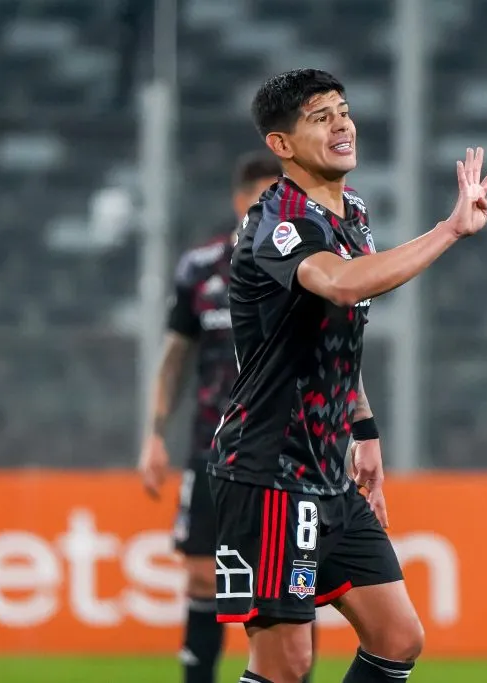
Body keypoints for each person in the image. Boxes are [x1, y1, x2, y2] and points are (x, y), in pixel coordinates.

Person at [209, 69, 487, 683]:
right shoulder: (279, 222)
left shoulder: (354, 213)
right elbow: (341, 286)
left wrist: (363, 431)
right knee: (287, 665)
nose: (342, 123)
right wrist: (449, 229)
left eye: (343, 110)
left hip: (328, 471)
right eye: (320, 116)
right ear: (281, 146)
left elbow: (337, 342)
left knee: (398, 637)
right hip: (269, 472)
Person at [138, 151, 283, 683]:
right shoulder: (200, 268)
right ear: (238, 199)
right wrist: (155, 435)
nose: (270, 209)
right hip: (211, 447)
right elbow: (174, 357)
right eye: (261, 198)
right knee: (202, 576)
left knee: (284, 585)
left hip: (282, 452)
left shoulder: (303, 267)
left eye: (279, 199)